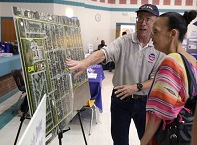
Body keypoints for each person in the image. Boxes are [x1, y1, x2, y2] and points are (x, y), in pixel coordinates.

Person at [66, 4, 165, 145]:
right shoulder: (124, 41)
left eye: (148, 19)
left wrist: (136, 87)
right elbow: (104, 53)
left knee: (147, 140)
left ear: (156, 22)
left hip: (145, 101)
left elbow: (156, 79)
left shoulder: (158, 47)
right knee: (119, 140)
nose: (143, 23)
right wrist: (85, 63)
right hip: (120, 98)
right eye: (140, 18)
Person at [140, 10, 197, 145]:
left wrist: (143, 142)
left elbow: (159, 113)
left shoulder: (171, 61)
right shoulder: (192, 61)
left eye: (156, 31)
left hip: (169, 136)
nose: (151, 36)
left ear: (173, 34)